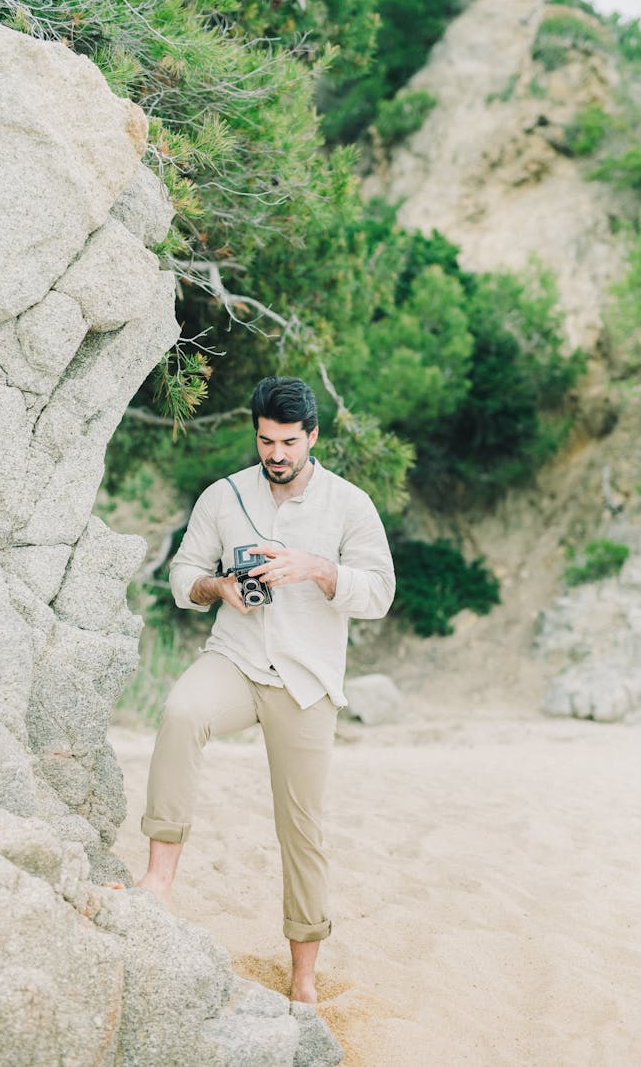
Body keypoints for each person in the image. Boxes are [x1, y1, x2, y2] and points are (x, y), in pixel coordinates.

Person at [137, 375, 395, 1003]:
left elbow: (380, 593)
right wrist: (216, 588)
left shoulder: (349, 504)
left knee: (301, 829)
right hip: (236, 657)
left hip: (306, 682)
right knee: (180, 711)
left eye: (287, 442)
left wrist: (316, 569)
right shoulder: (222, 498)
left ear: (312, 436)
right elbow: (182, 576)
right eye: (264, 441)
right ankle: (158, 881)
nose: (275, 454)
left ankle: (304, 976)